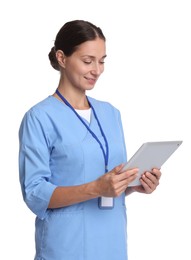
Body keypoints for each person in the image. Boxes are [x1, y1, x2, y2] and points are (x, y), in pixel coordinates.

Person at [18, 20, 161, 260]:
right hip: (66, 246)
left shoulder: (111, 114)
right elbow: (35, 193)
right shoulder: (39, 117)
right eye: (88, 61)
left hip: (111, 243)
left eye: (102, 60)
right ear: (62, 58)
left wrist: (132, 185)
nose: (97, 70)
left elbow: (108, 182)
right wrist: (96, 188)